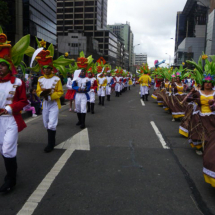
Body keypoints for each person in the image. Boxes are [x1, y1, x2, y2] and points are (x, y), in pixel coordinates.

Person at [0, 30, 29, 192]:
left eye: (2, 65)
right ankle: (12, 172)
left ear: (8, 65)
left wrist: (9, 108)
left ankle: (10, 180)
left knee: (7, 149)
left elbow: (23, 101)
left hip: (11, 120)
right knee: (3, 150)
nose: (0, 68)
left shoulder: (18, 82)